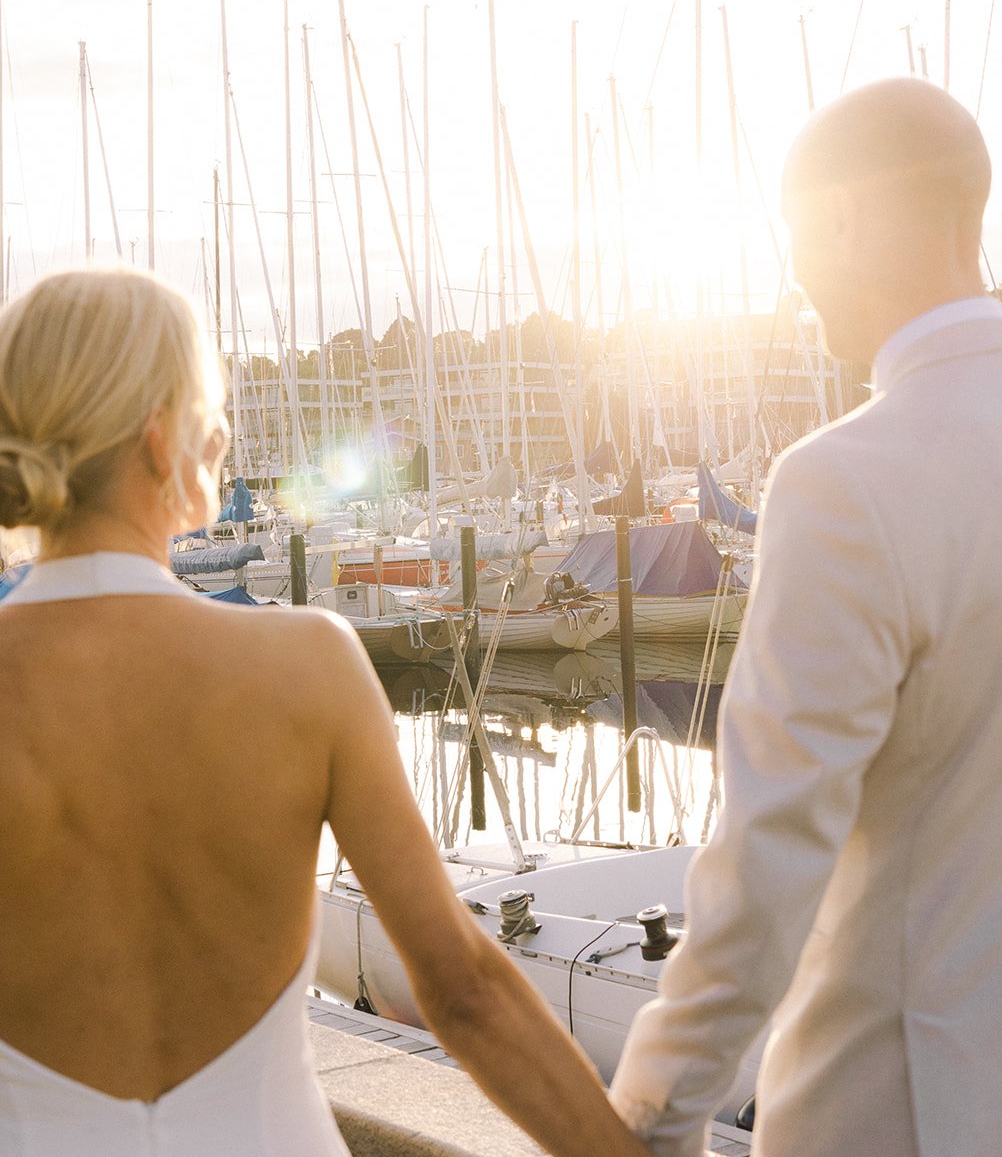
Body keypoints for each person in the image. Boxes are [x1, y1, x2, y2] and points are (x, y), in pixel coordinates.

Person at [0, 267, 651, 1157]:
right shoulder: (305, 664)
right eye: (212, 415)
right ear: (161, 440)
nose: (223, 439)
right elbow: (461, 989)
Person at [610, 76, 1002, 1156]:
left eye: (797, 234)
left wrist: (644, 1113)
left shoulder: (843, 480)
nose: (795, 273)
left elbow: (769, 850)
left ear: (848, 218)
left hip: (899, 1108)